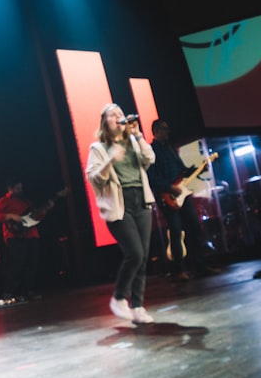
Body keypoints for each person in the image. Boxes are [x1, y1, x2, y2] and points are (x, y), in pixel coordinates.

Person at [85, 104, 156, 325]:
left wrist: (139, 136)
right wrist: (110, 159)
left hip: (141, 200)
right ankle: (118, 298)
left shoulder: (133, 141)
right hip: (119, 204)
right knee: (134, 253)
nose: (118, 117)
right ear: (105, 122)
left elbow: (149, 160)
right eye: (112, 115)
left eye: (120, 114)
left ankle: (137, 306)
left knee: (143, 257)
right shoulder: (98, 148)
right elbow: (94, 177)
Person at [148, 120, 218, 281]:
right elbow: (152, 178)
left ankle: (200, 266)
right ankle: (178, 270)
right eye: (165, 129)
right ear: (156, 131)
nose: (168, 132)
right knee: (176, 231)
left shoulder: (170, 149)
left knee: (194, 227)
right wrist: (169, 188)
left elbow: (183, 171)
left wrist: (199, 169)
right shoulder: (152, 152)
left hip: (182, 194)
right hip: (167, 196)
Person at [0, 179, 48, 307]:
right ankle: (9, 293)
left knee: (31, 265)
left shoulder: (27, 201)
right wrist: (11, 216)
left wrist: (44, 212)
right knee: (15, 265)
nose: (20, 191)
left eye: (21, 188)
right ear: (9, 188)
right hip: (14, 236)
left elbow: (35, 218)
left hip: (31, 235)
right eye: (17, 188)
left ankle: (28, 291)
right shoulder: (3, 201)